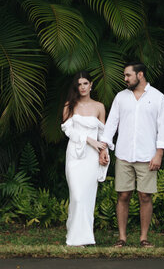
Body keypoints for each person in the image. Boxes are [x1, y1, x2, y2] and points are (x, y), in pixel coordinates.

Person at [100, 62, 164, 247]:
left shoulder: (158, 98)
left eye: (128, 75)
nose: (125, 79)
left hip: (147, 156)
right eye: (125, 75)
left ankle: (143, 238)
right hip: (123, 154)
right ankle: (122, 238)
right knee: (123, 195)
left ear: (140, 75)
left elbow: (163, 127)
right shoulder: (121, 97)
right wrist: (104, 148)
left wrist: (159, 154)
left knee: (145, 196)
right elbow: (111, 125)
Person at [60, 71, 109, 246]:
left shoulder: (99, 107)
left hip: (92, 158)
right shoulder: (69, 105)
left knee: (88, 197)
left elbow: (104, 134)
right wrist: (89, 140)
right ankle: (73, 237)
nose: (82, 87)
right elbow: (68, 130)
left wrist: (104, 152)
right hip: (75, 154)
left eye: (85, 83)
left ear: (91, 85)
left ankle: (85, 237)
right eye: (79, 84)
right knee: (77, 195)